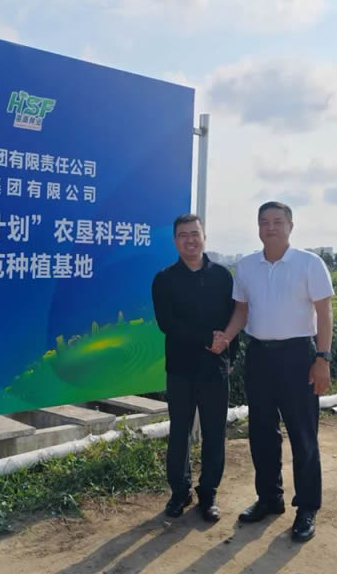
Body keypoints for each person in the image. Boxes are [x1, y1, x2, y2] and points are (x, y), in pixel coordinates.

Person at [214, 201, 334, 542]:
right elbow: (242, 311)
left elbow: (324, 313)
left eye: (278, 221)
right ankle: (269, 498)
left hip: (298, 357)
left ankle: (307, 507)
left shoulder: (309, 263)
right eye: (264, 222)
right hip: (259, 357)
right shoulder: (247, 266)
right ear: (258, 228)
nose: (271, 227)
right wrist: (227, 337)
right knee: (262, 432)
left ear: (290, 226)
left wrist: (322, 359)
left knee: (303, 434)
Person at [152, 214, 238, 521]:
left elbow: (233, 317)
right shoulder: (164, 279)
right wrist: (207, 340)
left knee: (214, 433)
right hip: (180, 368)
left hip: (215, 368)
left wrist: (231, 355)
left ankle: (209, 494)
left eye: (194, 233)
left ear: (204, 237)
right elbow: (167, 323)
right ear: (175, 241)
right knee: (179, 432)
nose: (190, 240)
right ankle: (179, 492)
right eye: (183, 235)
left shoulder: (222, 276)